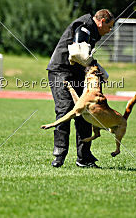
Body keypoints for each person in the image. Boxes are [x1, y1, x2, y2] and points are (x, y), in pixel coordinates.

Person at [46, 9, 115, 168]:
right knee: (64, 109)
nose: (110, 30)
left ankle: (84, 158)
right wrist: (97, 67)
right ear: (101, 21)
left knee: (85, 112)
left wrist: (96, 69)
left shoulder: (93, 30)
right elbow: (78, 52)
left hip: (77, 72)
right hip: (60, 71)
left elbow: (84, 58)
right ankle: (59, 154)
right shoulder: (85, 25)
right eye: (109, 26)